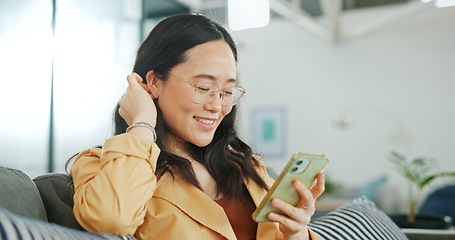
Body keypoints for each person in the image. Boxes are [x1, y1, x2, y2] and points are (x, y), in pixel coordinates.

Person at [69, 13, 325, 240]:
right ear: (154, 82)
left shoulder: (245, 167)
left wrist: (297, 233)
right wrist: (143, 122)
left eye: (226, 91)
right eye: (204, 88)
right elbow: (111, 219)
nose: (217, 106)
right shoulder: (99, 165)